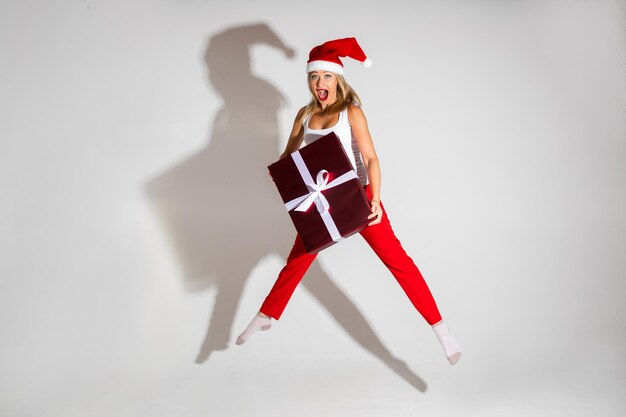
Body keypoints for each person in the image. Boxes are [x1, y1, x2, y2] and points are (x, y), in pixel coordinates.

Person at [235, 38, 462, 365]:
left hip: (360, 198)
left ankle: (441, 330)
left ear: (338, 79)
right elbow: (290, 157)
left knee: (399, 262)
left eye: (326, 76)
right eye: (314, 77)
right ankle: (266, 315)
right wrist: (279, 174)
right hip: (325, 202)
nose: (319, 83)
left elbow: (371, 158)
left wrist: (376, 200)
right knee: (298, 259)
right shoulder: (304, 115)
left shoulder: (351, 112)